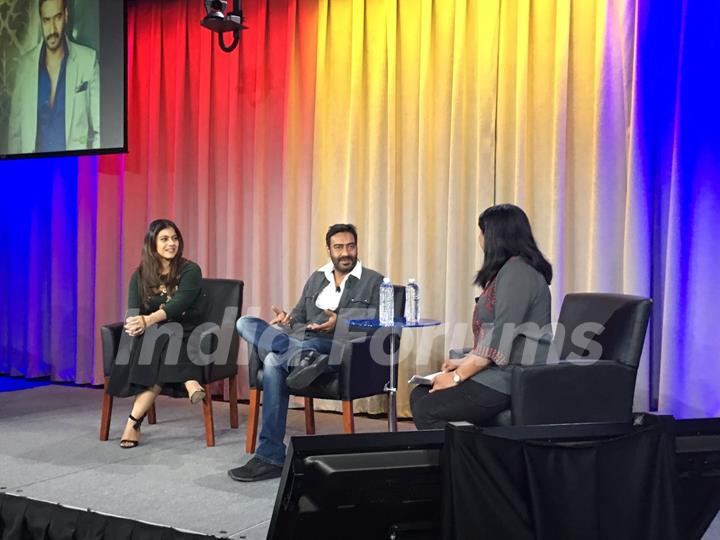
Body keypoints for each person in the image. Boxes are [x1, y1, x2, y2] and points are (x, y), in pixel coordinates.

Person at [228, 223, 384, 482]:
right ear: (329, 250)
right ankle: (298, 357)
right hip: (304, 343)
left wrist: (340, 321)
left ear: (356, 248)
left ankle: (269, 456)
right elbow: (300, 316)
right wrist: (288, 320)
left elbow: (379, 320)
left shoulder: (374, 281)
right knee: (245, 323)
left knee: (274, 360)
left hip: (338, 348)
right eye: (339, 247)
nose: (345, 252)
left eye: (350, 246)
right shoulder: (316, 278)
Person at [410, 204, 553, 429]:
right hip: (502, 370)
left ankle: (465, 463)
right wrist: (464, 361)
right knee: (420, 394)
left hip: (516, 376)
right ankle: (458, 459)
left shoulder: (519, 272)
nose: (480, 239)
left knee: (427, 407)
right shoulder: (508, 270)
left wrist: (457, 377)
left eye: (482, 232)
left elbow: (502, 333)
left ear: (495, 236)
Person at [107, 219, 207, 448]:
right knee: (160, 340)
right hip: (154, 337)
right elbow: (133, 311)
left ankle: (133, 423)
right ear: (152, 244)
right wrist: (134, 324)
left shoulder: (190, 270)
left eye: (174, 238)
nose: (171, 243)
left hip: (188, 330)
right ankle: (189, 379)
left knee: (165, 334)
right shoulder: (140, 275)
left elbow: (179, 305)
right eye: (164, 239)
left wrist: (148, 319)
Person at [8, 0, 100, 154]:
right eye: (46, 20)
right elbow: (15, 134)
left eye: (57, 17)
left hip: (74, 168)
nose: (52, 29)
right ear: (40, 21)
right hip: (34, 169)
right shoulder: (24, 66)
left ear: (66, 15)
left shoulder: (88, 61)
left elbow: (101, 129)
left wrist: (89, 167)